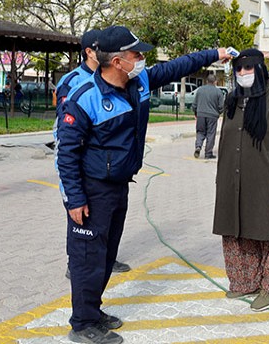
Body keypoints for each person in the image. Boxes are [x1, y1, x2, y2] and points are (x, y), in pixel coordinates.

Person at [56, 25, 232, 344]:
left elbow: (179, 66)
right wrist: (74, 200)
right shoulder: (85, 97)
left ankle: (93, 311)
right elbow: (65, 153)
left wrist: (214, 54)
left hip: (118, 185)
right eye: (136, 54)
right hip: (91, 189)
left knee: (107, 255)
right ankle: (81, 324)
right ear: (117, 61)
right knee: (87, 258)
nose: (142, 59)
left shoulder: (139, 82)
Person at [212, 49, 269, 312]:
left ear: (260, 69)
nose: (243, 74)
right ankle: (245, 281)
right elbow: (226, 140)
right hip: (235, 181)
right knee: (238, 231)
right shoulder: (233, 99)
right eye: (238, 69)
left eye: (248, 68)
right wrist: (222, 180)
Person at [54, 29, 132, 280]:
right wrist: (73, 193)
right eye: (99, 48)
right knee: (79, 216)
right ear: (89, 52)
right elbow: (67, 135)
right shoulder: (73, 81)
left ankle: (100, 257)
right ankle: (74, 261)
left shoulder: (112, 78)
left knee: (101, 227)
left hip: (103, 168)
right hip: (79, 158)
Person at [193, 74, 224, 159]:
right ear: (215, 82)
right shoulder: (218, 92)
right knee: (211, 134)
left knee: (200, 132)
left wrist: (196, 112)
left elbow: (194, 104)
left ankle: (198, 146)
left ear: (207, 81)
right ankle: (208, 153)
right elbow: (221, 106)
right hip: (212, 116)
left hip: (201, 114)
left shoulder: (200, 90)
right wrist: (218, 113)